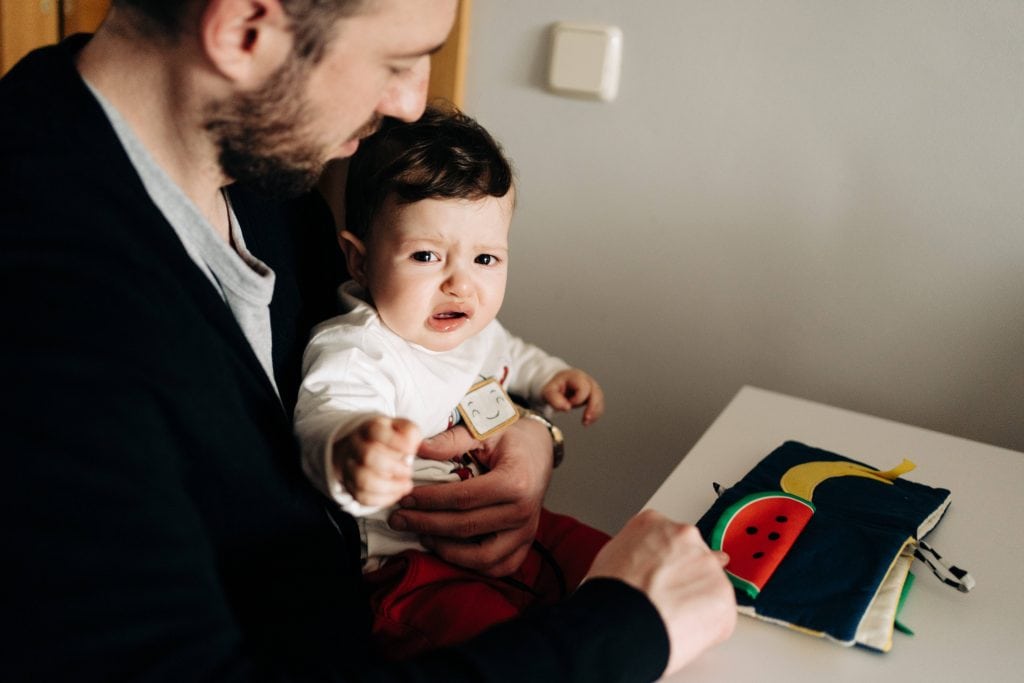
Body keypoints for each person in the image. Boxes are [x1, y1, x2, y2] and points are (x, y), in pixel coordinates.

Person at [0, 1, 736, 681]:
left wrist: (530, 430)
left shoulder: (264, 183)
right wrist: (625, 631)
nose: (411, 103)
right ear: (246, 29)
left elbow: (401, 359)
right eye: (396, 62)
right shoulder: (44, 313)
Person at [294, 105, 611, 657]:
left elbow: (512, 352)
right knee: (505, 646)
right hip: (412, 566)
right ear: (359, 261)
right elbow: (325, 415)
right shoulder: (359, 348)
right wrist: (353, 446)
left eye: (486, 258)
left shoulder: (469, 326)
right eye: (425, 256)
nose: (460, 285)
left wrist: (551, 375)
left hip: (508, 524)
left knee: (612, 566)